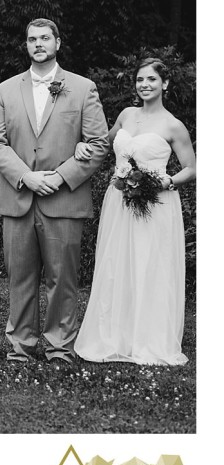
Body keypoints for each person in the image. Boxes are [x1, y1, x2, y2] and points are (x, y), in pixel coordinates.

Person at [0, 18, 109, 363]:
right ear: (26, 46)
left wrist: (59, 177)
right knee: (19, 278)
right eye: (31, 39)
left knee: (63, 280)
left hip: (64, 198)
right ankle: (21, 346)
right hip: (18, 197)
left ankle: (58, 348)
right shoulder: (6, 90)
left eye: (44, 38)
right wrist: (26, 176)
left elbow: (99, 143)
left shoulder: (83, 88)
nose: (38, 43)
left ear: (58, 42)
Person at [75, 58, 195, 365]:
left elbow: (191, 168)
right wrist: (82, 147)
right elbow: (103, 142)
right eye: (140, 79)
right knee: (117, 263)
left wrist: (166, 181)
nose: (145, 84)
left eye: (152, 80)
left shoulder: (173, 125)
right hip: (119, 203)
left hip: (154, 204)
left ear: (165, 84)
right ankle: (114, 336)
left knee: (148, 264)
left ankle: (148, 339)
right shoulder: (126, 114)